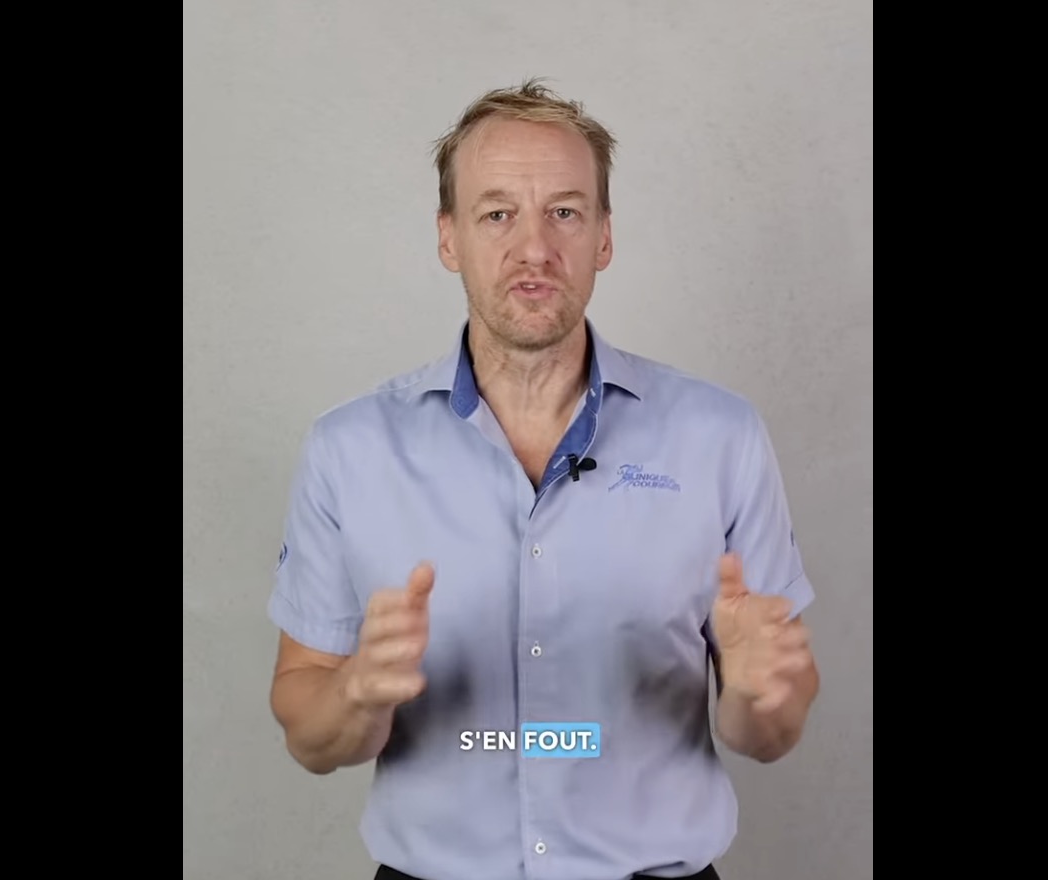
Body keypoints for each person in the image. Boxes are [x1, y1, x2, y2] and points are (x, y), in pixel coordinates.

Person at [267, 78, 820, 880]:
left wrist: (757, 698)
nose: (534, 249)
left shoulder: (721, 437)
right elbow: (307, 727)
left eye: (564, 211)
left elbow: (771, 727)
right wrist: (356, 693)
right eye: (497, 214)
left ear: (603, 237)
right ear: (449, 238)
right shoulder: (347, 451)